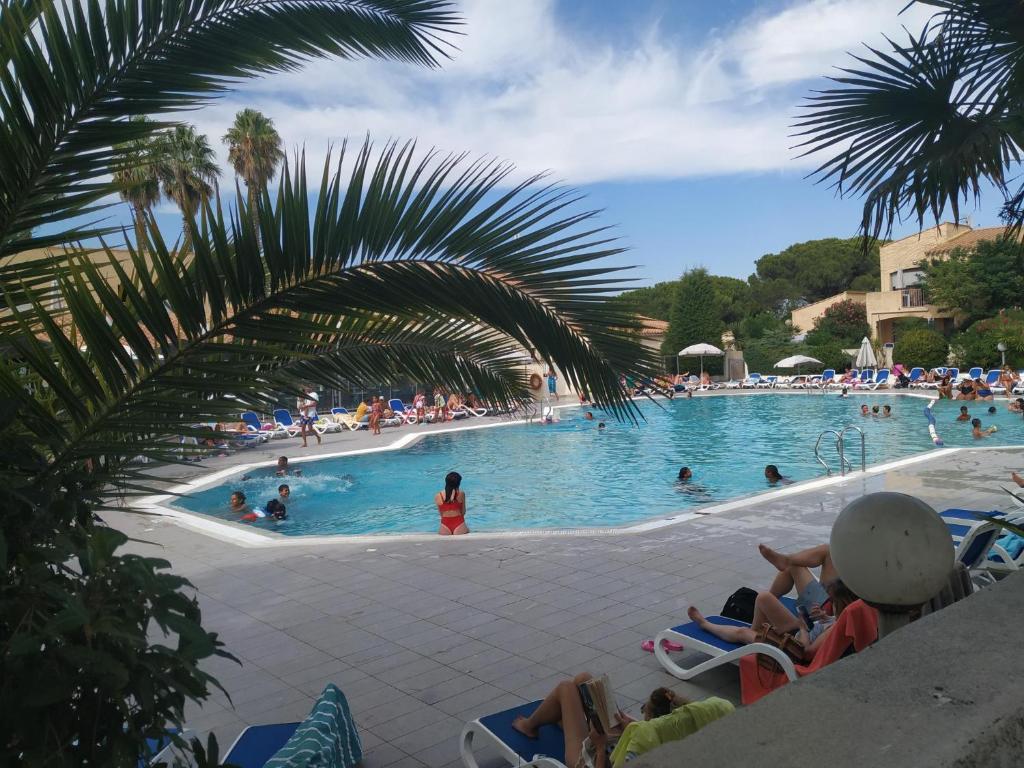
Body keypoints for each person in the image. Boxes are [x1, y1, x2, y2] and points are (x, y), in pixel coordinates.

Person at [512, 673, 732, 768]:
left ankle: (529, 726)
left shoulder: (644, 743)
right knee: (584, 680)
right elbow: (646, 733)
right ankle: (563, 717)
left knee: (566, 687)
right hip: (618, 741)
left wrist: (599, 747)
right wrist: (631, 725)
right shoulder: (680, 730)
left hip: (592, 759)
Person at [687, 577, 859, 660]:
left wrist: (802, 628)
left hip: (793, 647)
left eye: (832, 602)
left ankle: (705, 624)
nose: (830, 604)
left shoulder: (837, 628)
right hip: (802, 631)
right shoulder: (847, 615)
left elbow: (806, 653)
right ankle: (757, 636)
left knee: (742, 632)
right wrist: (826, 617)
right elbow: (831, 625)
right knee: (763, 598)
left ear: (841, 603)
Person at [435, 470, 468, 535]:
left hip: (444, 524)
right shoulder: (461, 493)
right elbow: (463, 512)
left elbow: (441, 514)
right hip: (459, 523)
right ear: (458, 483)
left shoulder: (438, 496)